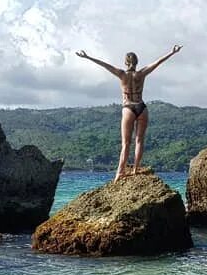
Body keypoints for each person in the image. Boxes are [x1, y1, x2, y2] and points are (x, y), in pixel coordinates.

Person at [75, 45, 183, 180]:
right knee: (139, 141)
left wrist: (87, 57)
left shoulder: (121, 74)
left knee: (126, 143)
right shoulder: (142, 73)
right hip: (141, 108)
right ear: (137, 62)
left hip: (128, 108)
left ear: (126, 62)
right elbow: (158, 62)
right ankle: (135, 169)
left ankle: (120, 172)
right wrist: (172, 52)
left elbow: (105, 65)